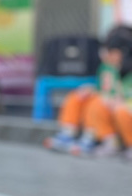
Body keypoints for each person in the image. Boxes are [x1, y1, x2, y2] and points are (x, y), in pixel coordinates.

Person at [45, 25, 132, 157]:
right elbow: (104, 88)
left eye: (112, 52)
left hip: (121, 110)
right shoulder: (107, 67)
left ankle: (96, 139)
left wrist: (118, 101)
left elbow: (123, 96)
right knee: (78, 96)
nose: (107, 55)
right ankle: (67, 134)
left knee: (99, 103)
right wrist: (91, 90)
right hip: (108, 106)